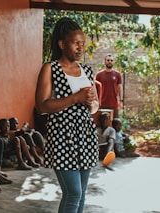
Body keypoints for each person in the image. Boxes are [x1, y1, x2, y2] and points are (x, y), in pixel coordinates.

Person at [35, 17, 99, 213]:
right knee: (73, 193)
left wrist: (91, 103)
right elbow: (41, 106)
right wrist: (76, 98)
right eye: (75, 43)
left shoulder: (87, 70)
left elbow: (96, 106)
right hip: (62, 137)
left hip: (86, 136)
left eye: (83, 43)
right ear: (62, 44)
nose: (81, 48)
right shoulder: (50, 68)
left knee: (82, 193)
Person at [95, 54, 123, 118]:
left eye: (111, 60)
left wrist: (121, 101)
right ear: (104, 62)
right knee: (102, 123)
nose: (109, 61)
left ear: (113, 62)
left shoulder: (117, 74)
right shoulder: (99, 75)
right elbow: (95, 89)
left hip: (114, 104)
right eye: (108, 60)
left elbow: (120, 87)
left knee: (115, 123)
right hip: (102, 104)